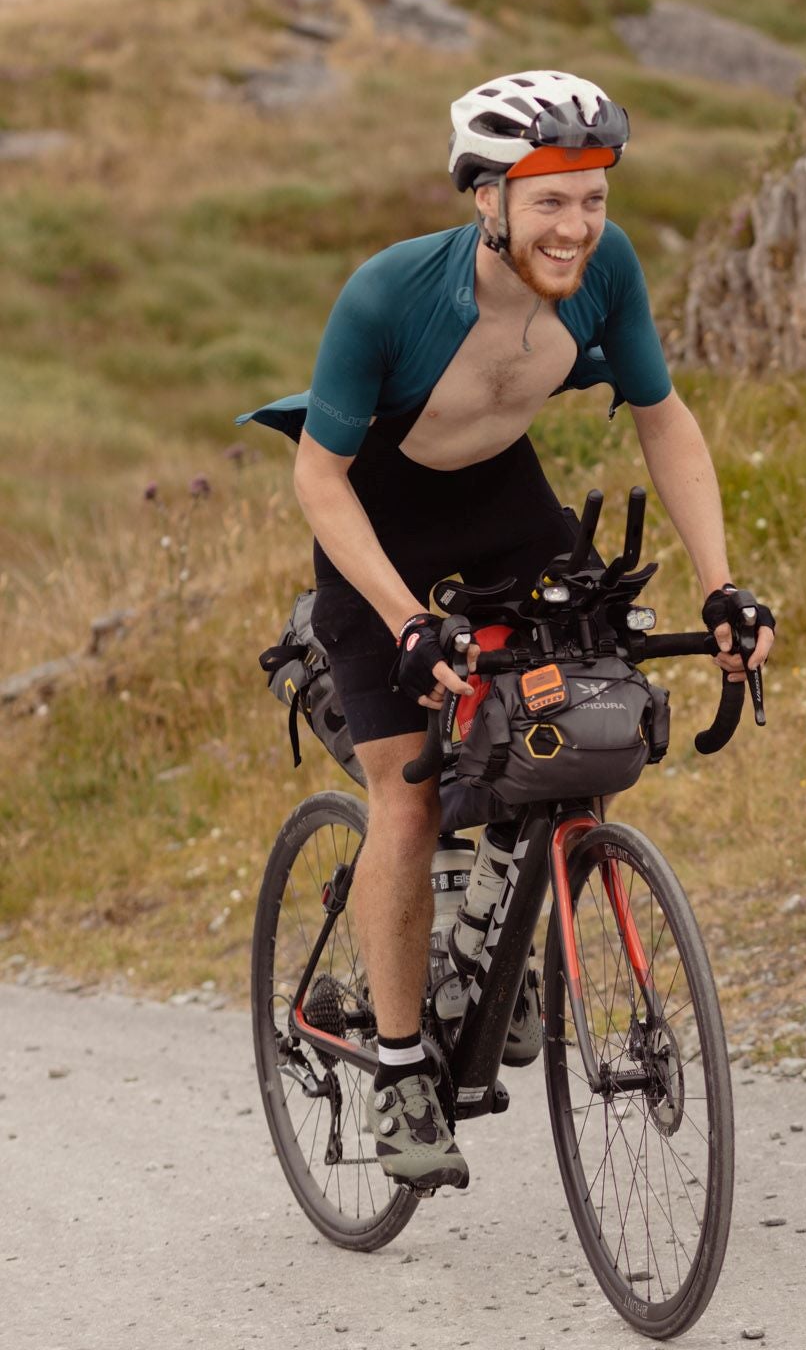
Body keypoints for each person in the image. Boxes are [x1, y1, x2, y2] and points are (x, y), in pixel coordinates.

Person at [240, 69, 775, 1189]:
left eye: (592, 198)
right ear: (487, 196)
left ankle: (498, 918)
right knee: (413, 791)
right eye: (548, 200)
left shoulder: (605, 272)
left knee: (589, 712)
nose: (576, 226)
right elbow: (319, 479)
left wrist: (724, 588)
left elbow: (664, 421)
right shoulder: (391, 295)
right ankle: (397, 1070)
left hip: (503, 502)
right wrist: (406, 624)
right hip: (377, 519)